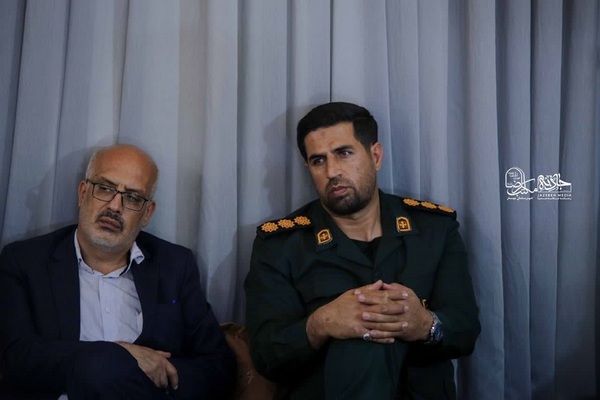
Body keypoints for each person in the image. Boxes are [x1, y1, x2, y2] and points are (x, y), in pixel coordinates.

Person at [244, 102, 480, 399]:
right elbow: (266, 356)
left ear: (375, 156)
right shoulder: (280, 245)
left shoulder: (434, 229)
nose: (332, 171)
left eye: (344, 153)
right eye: (318, 161)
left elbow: (466, 330)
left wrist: (424, 324)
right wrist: (321, 324)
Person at [0, 144, 236, 399]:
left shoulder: (175, 265)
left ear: (147, 214)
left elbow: (217, 366)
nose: (115, 206)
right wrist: (121, 356)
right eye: (105, 188)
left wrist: (145, 381)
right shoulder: (25, 261)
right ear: (83, 193)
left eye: (133, 198)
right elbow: (15, 358)